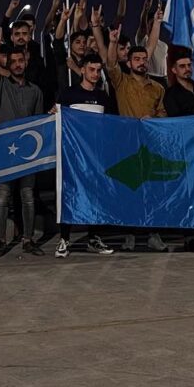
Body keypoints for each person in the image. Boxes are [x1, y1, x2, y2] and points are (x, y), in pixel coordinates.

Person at [91, 7, 169, 252]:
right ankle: (130, 234)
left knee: (152, 190)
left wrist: (153, 120)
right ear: (130, 62)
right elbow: (110, 62)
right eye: (137, 59)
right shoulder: (121, 81)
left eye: (144, 59)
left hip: (150, 145)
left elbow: (163, 114)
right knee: (129, 191)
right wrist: (112, 41)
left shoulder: (157, 88)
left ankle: (153, 233)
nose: (142, 62)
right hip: (127, 144)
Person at [0, 35, 45, 257]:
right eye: (14, 61)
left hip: (28, 152)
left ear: (26, 62)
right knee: (2, 196)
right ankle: (1, 241)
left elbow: (38, 122)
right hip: (4, 150)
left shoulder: (35, 91)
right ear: (8, 64)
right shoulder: (1, 84)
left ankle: (28, 240)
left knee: (27, 195)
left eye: (21, 60)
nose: (18, 64)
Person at [53, 54, 116, 258]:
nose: (96, 74)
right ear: (82, 70)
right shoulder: (68, 94)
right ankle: (64, 239)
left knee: (96, 196)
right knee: (68, 195)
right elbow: (55, 119)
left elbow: (110, 125)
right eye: (92, 70)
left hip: (95, 157)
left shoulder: (103, 97)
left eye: (98, 70)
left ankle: (94, 238)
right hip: (72, 156)